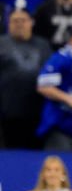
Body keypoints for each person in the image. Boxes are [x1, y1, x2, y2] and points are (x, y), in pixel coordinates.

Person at [0, 9, 51, 149]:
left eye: (23, 20)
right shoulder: (1, 44)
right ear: (8, 24)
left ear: (31, 23)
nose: (19, 24)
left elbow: (50, 74)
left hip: (38, 111)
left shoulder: (43, 45)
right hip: (8, 112)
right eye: (15, 21)